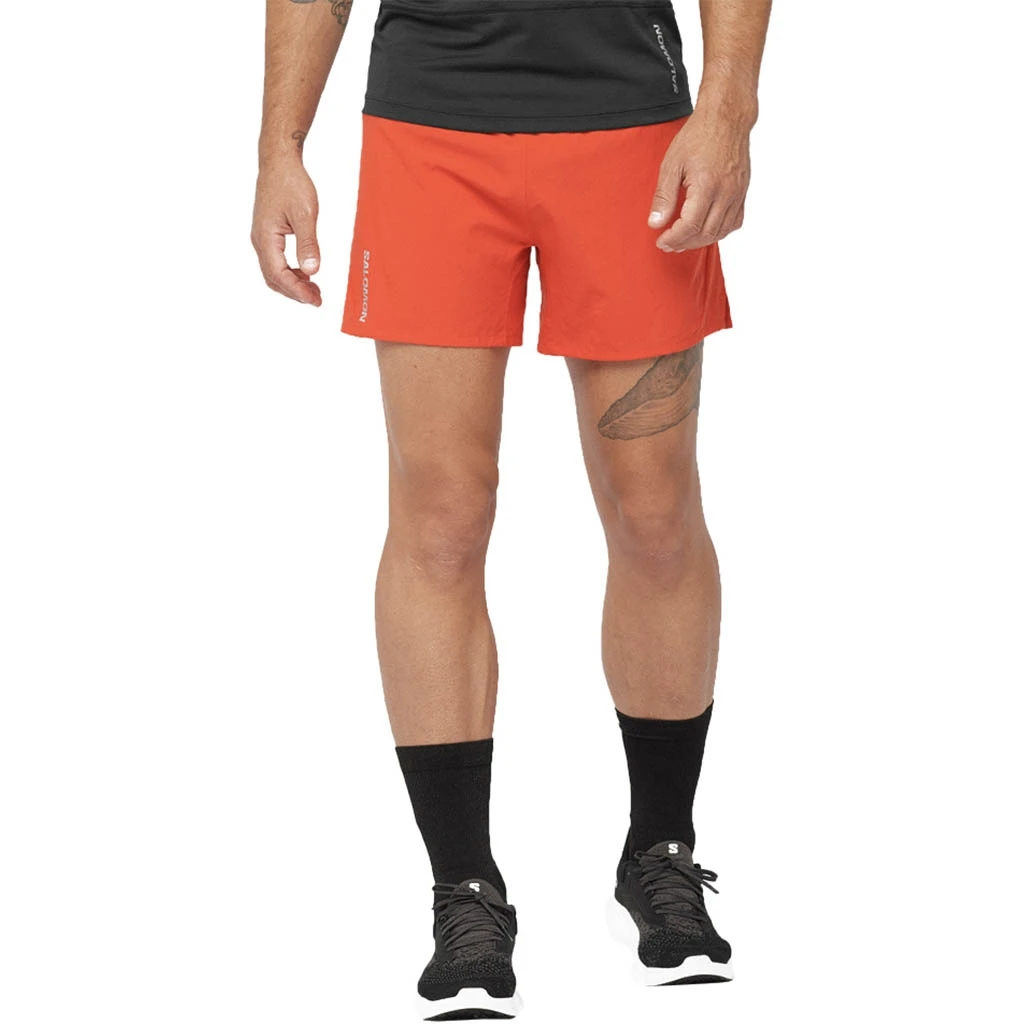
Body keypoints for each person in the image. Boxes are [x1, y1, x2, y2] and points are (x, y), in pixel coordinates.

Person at [252, 0, 771, 1017]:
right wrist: (280, 145)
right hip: (428, 127)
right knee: (441, 514)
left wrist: (728, 107)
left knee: (653, 506)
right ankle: (464, 889)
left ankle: (661, 851)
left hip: (630, 122)